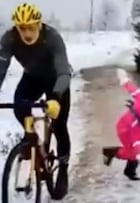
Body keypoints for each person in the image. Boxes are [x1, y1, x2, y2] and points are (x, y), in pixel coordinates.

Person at [0, 3, 72, 200]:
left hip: (56, 79)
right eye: (22, 28)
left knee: (59, 125)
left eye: (31, 27)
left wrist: (56, 97)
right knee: (19, 105)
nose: (27, 32)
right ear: (16, 27)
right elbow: (0, 68)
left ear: (39, 24)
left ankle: (63, 168)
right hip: (32, 78)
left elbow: (64, 70)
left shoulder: (52, 38)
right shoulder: (9, 38)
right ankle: (30, 141)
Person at [102, 69, 140, 181]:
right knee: (132, 152)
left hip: (128, 125)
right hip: (125, 130)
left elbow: (133, 90)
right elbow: (136, 140)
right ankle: (110, 152)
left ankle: (130, 170)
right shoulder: (137, 123)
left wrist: (124, 80)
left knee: (139, 149)